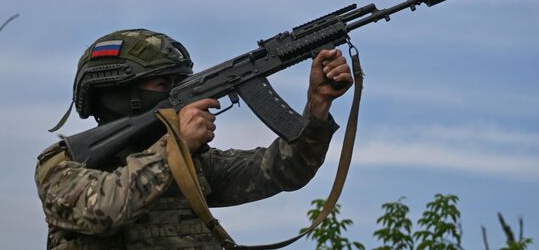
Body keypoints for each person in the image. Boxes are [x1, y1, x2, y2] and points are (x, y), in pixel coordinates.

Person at [35, 29, 352, 250]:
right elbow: (102, 210)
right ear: (118, 93)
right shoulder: (63, 165)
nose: (177, 94)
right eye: (163, 84)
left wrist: (317, 106)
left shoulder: (196, 164)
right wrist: (175, 147)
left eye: (180, 83)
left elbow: (285, 170)